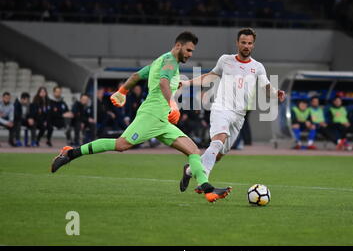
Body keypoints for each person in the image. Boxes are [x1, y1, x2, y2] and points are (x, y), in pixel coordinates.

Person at [50, 31, 231, 203]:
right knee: (121, 145)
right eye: (189, 50)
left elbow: (137, 75)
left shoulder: (159, 61)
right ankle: (70, 152)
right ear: (178, 45)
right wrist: (172, 104)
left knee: (193, 151)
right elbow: (163, 83)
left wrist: (122, 91)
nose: (190, 54)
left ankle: (206, 189)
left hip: (162, 120)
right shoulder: (170, 61)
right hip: (151, 115)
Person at [179, 28, 286, 192]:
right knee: (217, 140)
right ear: (237, 43)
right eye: (243, 42)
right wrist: (186, 83)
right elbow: (210, 76)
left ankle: (188, 170)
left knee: (219, 155)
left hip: (239, 116)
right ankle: (203, 181)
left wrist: (274, 92)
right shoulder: (225, 60)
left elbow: (265, 85)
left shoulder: (257, 67)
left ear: (253, 45)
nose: (246, 46)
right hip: (221, 108)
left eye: (250, 43)